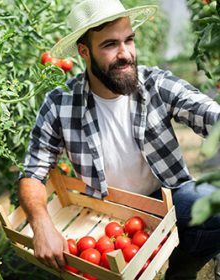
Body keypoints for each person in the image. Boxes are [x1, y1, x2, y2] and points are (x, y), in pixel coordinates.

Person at [18, 0, 220, 279]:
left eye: (129, 40)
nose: (125, 54)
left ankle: (182, 263)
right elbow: (32, 172)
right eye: (110, 44)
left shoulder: (155, 84)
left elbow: (209, 114)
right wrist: (41, 225)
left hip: (166, 199)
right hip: (109, 213)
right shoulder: (60, 103)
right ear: (84, 52)